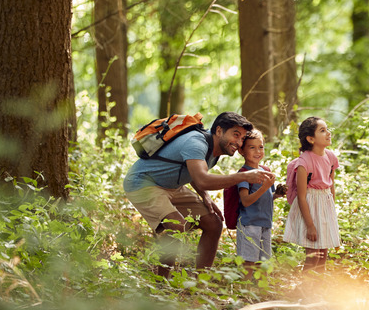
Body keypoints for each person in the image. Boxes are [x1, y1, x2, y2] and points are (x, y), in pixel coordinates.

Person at [123, 111, 276, 278]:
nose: (239, 143)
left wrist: (205, 197)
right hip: (143, 183)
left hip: (172, 186)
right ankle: (162, 281)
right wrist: (244, 176)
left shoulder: (216, 151)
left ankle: (200, 281)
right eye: (236, 135)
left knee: (214, 223)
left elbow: (194, 173)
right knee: (177, 224)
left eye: (242, 138)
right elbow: (202, 179)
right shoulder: (196, 143)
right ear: (219, 131)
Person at [283, 117, 341, 272]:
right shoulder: (304, 162)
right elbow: (301, 196)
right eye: (322, 131)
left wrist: (331, 213)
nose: (328, 133)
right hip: (311, 206)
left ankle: (317, 291)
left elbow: (331, 185)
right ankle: (305, 290)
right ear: (310, 139)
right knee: (313, 256)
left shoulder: (330, 157)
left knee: (323, 255)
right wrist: (310, 226)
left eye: (327, 129)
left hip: (325, 205)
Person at [235, 128, 285, 278]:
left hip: (265, 223)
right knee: (249, 261)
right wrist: (264, 187)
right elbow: (245, 201)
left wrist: (277, 194)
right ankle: (247, 291)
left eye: (261, 146)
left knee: (263, 261)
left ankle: (260, 292)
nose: (258, 151)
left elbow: (267, 196)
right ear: (241, 151)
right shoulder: (244, 174)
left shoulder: (266, 170)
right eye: (252, 147)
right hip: (249, 224)